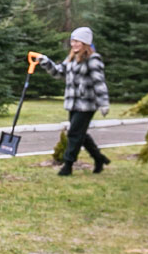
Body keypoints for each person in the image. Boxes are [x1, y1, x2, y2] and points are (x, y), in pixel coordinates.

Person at [37, 26, 111, 176]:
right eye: (73, 41)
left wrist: (104, 103)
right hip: (73, 103)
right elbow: (58, 73)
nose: (74, 44)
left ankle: (67, 165)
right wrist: (46, 62)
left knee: (74, 134)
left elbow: (99, 83)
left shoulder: (93, 59)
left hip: (87, 104)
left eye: (77, 41)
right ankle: (99, 158)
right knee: (80, 134)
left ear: (85, 43)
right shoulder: (71, 58)